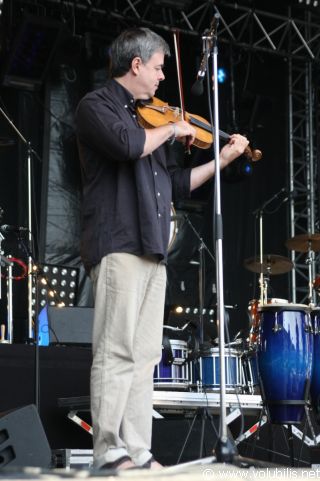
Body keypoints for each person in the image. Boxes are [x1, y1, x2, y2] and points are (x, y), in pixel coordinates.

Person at [75, 27, 249, 471]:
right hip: (119, 243)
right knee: (116, 350)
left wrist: (222, 160)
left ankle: (137, 449)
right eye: (157, 68)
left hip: (153, 250)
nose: (160, 79)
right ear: (136, 65)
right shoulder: (97, 106)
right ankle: (108, 448)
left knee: (146, 354)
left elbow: (173, 185)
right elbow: (127, 145)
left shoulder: (149, 116)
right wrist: (174, 128)